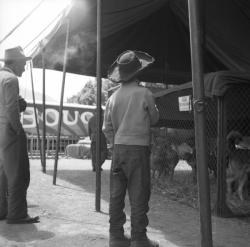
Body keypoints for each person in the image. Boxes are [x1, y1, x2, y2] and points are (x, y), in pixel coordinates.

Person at [103, 50, 160, 247]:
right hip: (138, 150)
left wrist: (114, 145)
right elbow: (154, 119)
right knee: (139, 193)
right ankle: (139, 238)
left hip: (119, 150)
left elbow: (106, 128)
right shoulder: (144, 93)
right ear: (138, 72)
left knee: (116, 194)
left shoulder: (112, 97)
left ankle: (116, 236)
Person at [0, 46, 39, 224]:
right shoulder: (11, 78)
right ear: (14, 63)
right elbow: (10, 108)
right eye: (23, 63)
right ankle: (17, 214)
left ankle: (2, 210)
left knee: (2, 173)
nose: (24, 67)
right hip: (8, 131)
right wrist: (17, 129)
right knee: (18, 173)